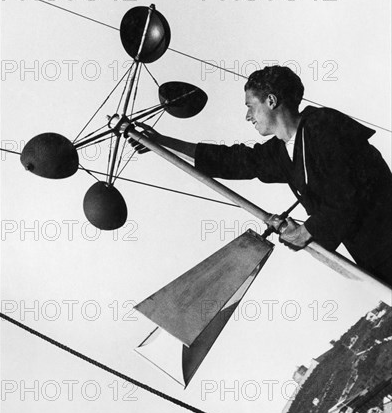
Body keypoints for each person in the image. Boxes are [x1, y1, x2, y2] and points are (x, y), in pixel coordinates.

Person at [131, 66, 392, 287]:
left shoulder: (323, 125)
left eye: (250, 106)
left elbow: (350, 194)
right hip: (375, 259)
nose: (247, 116)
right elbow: (236, 161)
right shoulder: (283, 149)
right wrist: (160, 142)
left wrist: (307, 231)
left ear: (271, 101)